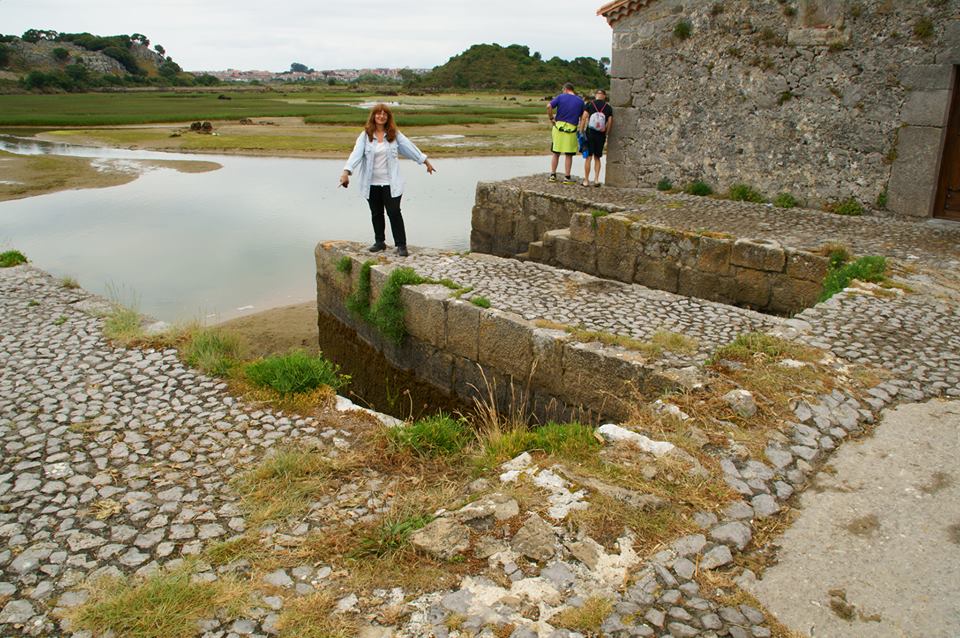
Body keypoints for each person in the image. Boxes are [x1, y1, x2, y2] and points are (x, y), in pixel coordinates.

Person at [339, 103, 435, 257]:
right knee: (376, 213)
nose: (381, 116)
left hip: (391, 183)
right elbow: (356, 154)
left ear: (388, 117)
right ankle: (380, 242)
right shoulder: (365, 135)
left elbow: (410, 148)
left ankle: (401, 245)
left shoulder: (394, 134)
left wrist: (425, 162)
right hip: (371, 183)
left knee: (394, 212)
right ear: (373, 116)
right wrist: (346, 172)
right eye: (378, 113)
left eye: (385, 114)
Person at [546, 82, 585, 185]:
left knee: (556, 152)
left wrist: (551, 118)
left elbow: (549, 106)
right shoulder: (580, 101)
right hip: (571, 129)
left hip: (558, 127)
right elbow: (583, 117)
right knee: (569, 154)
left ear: (565, 89)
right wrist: (581, 129)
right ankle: (567, 177)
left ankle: (553, 175)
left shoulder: (560, 97)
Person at [579, 88, 613, 187]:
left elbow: (584, 118)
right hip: (600, 135)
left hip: (590, 133)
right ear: (604, 96)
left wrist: (581, 131)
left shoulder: (590, 104)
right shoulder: (608, 107)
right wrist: (606, 133)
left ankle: (586, 180)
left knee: (588, 157)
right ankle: (596, 180)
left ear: (596, 95)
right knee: (597, 157)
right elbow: (610, 122)